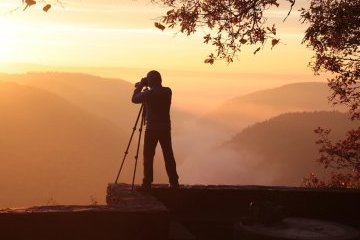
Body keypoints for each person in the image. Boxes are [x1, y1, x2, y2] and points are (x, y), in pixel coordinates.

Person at [132, 70, 179, 191]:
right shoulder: (168, 91)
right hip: (165, 128)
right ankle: (174, 181)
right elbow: (155, 91)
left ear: (150, 81)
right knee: (168, 155)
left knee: (148, 156)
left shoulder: (148, 94)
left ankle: (147, 182)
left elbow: (134, 99)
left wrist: (140, 86)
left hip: (151, 129)